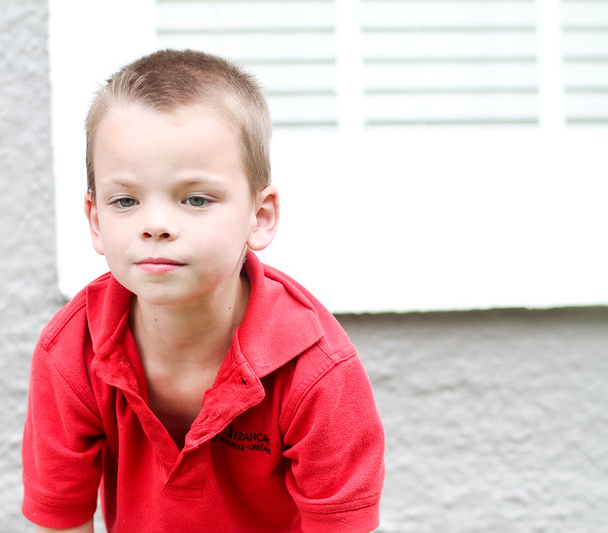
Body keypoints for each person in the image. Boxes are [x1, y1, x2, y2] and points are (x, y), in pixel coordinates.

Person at [22, 49, 385, 533]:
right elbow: (61, 521)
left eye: (195, 199)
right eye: (125, 201)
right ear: (95, 220)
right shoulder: (71, 351)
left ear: (260, 217)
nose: (155, 224)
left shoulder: (317, 372)